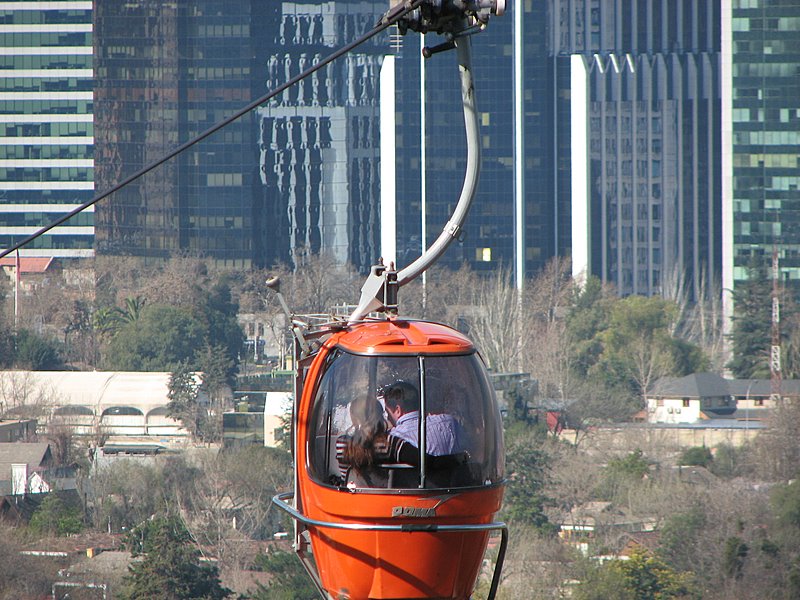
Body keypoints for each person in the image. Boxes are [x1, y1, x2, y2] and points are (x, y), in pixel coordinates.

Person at [380, 381, 465, 456]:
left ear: (398, 410)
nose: (387, 416)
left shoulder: (394, 438)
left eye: (387, 412)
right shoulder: (449, 422)